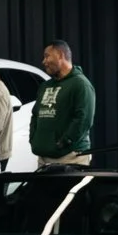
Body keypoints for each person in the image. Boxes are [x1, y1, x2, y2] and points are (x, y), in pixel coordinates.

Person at [28, 40, 96, 168]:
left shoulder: (81, 84)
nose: (44, 61)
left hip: (70, 158)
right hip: (44, 159)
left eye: (47, 56)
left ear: (60, 55)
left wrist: (64, 142)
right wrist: (34, 140)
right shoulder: (45, 86)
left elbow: (84, 119)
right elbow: (35, 114)